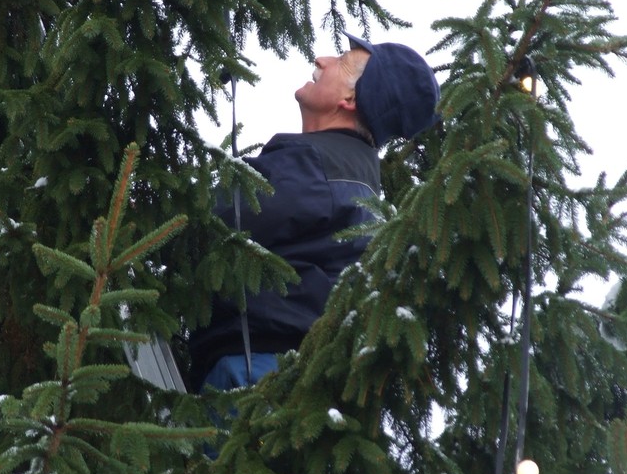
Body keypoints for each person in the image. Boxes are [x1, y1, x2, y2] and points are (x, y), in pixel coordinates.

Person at [188, 32, 440, 392]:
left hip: (250, 373)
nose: (322, 60)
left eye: (342, 61)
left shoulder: (316, 165)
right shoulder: (359, 178)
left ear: (350, 99)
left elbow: (211, 223)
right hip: (287, 376)